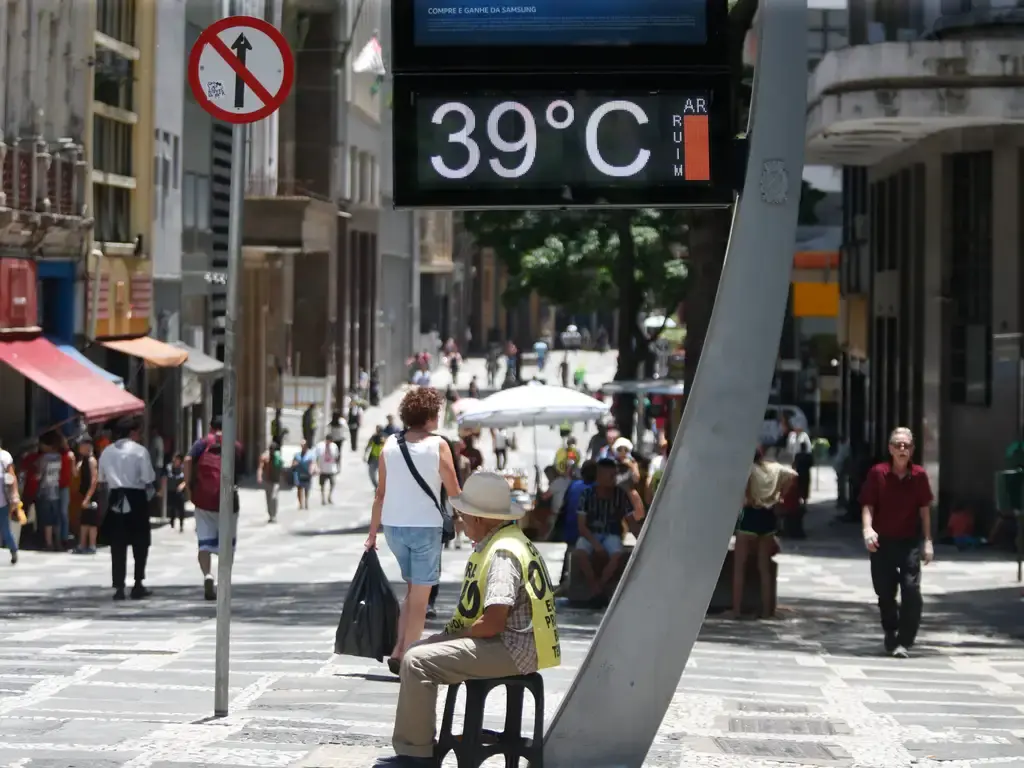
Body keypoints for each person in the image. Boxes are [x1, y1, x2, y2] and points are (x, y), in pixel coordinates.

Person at [379, 472, 560, 767]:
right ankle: (418, 747)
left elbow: (493, 623)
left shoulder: (502, 553)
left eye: (463, 516)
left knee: (418, 660)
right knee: (420, 651)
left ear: (479, 518)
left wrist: (449, 638)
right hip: (520, 644)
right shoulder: (508, 540)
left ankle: (415, 756)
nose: (460, 522)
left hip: (512, 648)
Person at [365, 386, 461, 676]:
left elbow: (379, 494)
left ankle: (398, 649)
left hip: (394, 529)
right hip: (424, 528)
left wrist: (372, 534)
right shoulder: (439, 445)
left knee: (412, 590)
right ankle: (410, 658)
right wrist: (471, 519)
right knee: (420, 598)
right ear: (431, 416)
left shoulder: (390, 445)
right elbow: (454, 491)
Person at [860, 427, 934, 658]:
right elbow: (868, 504)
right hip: (882, 542)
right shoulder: (877, 473)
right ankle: (891, 630)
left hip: (908, 541)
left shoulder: (919, 475)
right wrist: (867, 529)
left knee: (911, 590)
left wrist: (928, 541)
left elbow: (924, 510)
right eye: (898, 445)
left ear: (912, 450)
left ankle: (905, 640)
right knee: (885, 592)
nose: (902, 449)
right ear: (890, 449)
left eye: (907, 445)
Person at [732, 448, 796, 619]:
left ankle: (737, 610)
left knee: (740, 566)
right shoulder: (773, 468)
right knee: (765, 568)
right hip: (768, 517)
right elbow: (793, 475)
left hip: (750, 515)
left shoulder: (748, 469)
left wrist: (749, 498)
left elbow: (745, 492)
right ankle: (768, 611)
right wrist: (781, 496)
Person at [184, 415, 243, 601]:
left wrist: (189, 485)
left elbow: (187, 460)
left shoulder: (202, 443)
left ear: (211, 427)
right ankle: (223, 580)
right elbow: (239, 469)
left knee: (204, 542)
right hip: (228, 501)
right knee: (228, 543)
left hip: (203, 500)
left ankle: (207, 575)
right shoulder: (235, 445)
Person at [98, 417, 156, 600]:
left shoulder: (106, 452)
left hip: (116, 496)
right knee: (140, 541)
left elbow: (101, 478)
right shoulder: (140, 451)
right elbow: (148, 477)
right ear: (133, 433)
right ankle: (138, 583)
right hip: (136, 496)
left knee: (118, 543)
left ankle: (119, 586)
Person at [573, 458, 645, 599]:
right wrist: (596, 545)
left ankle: (599, 586)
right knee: (580, 552)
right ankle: (593, 584)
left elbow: (631, 522)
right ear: (599, 477)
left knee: (616, 555)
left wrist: (642, 542)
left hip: (612, 534)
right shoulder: (586, 495)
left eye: (615, 475)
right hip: (590, 534)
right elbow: (582, 526)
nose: (614, 479)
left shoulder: (621, 495)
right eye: (610, 476)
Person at [35, 433, 64, 551]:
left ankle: (49, 543)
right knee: (56, 518)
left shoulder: (44, 458)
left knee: (47, 519)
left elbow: (40, 475)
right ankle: (58, 541)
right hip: (56, 489)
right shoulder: (58, 457)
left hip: (45, 490)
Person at [75, 437, 101, 552]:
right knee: (84, 520)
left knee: (91, 521)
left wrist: (88, 497)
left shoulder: (92, 460)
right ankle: (82, 544)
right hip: (84, 493)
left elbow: (94, 480)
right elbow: (75, 473)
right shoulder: (83, 460)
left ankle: (92, 545)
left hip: (91, 495)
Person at [0, 437, 23, 564]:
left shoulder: (3, 457)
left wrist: (14, 495)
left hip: (2, 501)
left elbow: (12, 477)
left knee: (5, 529)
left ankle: (13, 550)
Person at [256, 441, 283, 523]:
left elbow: (281, 468)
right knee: (268, 499)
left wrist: (283, 478)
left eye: (274, 449)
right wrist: (259, 476)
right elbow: (260, 467)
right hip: (267, 480)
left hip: (276, 481)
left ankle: (274, 515)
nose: (272, 451)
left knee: (274, 498)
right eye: (271, 449)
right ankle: (270, 515)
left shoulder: (278, 457)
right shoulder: (265, 457)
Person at [315, 435, 341, 505]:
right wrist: (317, 467)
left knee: (332, 483)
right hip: (322, 469)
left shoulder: (334, 446)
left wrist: (338, 467)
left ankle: (329, 496)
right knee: (322, 485)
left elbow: (337, 457)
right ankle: (323, 498)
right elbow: (316, 457)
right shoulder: (320, 446)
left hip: (331, 469)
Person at [165, 453, 187, 533]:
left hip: (179, 491)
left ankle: (181, 525)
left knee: (181, 509)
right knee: (171, 508)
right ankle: (172, 524)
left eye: (178, 459)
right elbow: (168, 476)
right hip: (171, 490)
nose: (176, 461)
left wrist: (182, 485)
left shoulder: (183, 468)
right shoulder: (169, 467)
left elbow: (186, 479)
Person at [291, 441, 316, 510]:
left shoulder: (310, 455)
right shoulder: (297, 455)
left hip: (307, 474)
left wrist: (313, 470)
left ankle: (306, 502)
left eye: (304, 445)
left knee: (307, 489)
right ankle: (300, 504)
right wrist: (294, 464)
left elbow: (313, 463)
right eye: (301, 445)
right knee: (299, 489)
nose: (303, 447)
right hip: (298, 474)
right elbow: (293, 464)